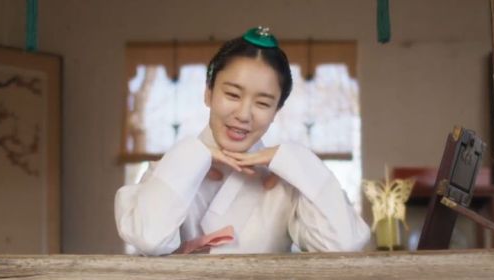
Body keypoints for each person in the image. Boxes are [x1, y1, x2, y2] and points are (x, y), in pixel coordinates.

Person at [115, 26, 370, 255]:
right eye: (233, 95)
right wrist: (195, 157)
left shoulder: (285, 185)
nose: (244, 115)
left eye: (263, 103)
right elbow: (148, 239)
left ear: (276, 112)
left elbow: (343, 244)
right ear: (208, 92)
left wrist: (293, 158)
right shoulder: (168, 171)